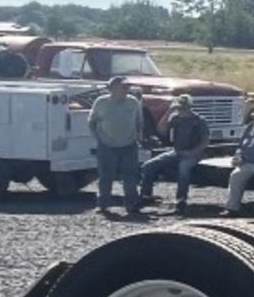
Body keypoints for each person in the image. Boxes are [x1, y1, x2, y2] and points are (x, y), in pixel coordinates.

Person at [137, 93, 211, 211]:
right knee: (148, 166)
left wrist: (192, 153)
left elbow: (205, 141)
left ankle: (181, 199)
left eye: (185, 107)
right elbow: (161, 131)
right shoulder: (175, 119)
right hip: (176, 151)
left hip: (193, 153)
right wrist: (169, 112)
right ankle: (146, 195)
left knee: (184, 168)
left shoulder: (199, 121)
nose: (182, 109)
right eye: (180, 106)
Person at [87, 75, 144, 214]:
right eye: (123, 86)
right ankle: (103, 204)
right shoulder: (101, 102)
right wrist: (98, 138)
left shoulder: (133, 102)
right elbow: (91, 122)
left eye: (128, 86)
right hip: (107, 145)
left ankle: (131, 204)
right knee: (105, 176)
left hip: (129, 144)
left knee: (130, 176)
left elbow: (139, 121)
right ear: (112, 88)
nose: (127, 89)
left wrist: (139, 136)